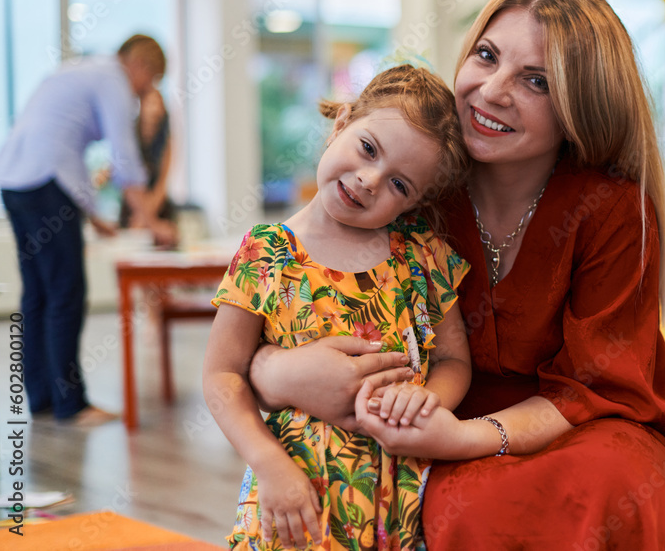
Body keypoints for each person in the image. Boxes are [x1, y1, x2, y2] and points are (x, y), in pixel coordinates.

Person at [249, 0, 665, 549]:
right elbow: (283, 307)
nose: (493, 91)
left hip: (584, 426)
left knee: (609, 485)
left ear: (580, 106)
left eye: (537, 82)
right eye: (487, 56)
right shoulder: (411, 186)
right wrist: (280, 371)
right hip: (431, 418)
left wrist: (463, 439)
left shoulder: (612, 207)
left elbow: (593, 389)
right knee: (465, 508)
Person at [202, 64, 473, 550]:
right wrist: (268, 465)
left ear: (414, 203)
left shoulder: (420, 253)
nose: (370, 180)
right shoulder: (266, 253)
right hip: (293, 499)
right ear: (342, 122)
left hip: (398, 501)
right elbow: (222, 376)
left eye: (399, 185)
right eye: (369, 149)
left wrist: (429, 399)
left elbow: (454, 360)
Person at [0, 34, 170, 425]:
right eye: (152, 79)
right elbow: (124, 159)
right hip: (46, 183)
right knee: (67, 293)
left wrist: (93, 216)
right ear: (140, 65)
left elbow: (59, 144)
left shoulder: (80, 70)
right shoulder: (114, 80)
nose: (147, 91)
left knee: (38, 294)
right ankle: (71, 404)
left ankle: (41, 398)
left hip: (14, 181)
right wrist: (153, 221)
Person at [118, 89, 180, 246]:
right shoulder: (129, 138)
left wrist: (146, 218)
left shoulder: (167, 141)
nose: (154, 109)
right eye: (150, 103)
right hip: (132, 207)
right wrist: (139, 214)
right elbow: (126, 179)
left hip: (158, 207)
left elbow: (162, 185)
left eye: (158, 104)